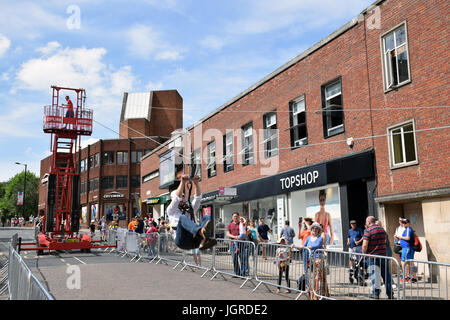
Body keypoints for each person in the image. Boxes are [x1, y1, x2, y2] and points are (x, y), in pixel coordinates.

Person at [166, 174, 216, 251]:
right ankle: (201, 232)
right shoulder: (171, 210)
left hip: (194, 240)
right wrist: (182, 182)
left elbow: (198, 198)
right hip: (182, 240)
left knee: (207, 217)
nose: (182, 199)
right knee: (182, 218)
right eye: (181, 197)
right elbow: (176, 199)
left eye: (183, 197)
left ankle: (203, 241)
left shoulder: (190, 209)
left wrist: (196, 183)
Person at [362, 216, 394, 299]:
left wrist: (364, 254)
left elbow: (364, 245)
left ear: (368, 222)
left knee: (374, 276)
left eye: (366, 222)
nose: (366, 224)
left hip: (372, 257)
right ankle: (390, 293)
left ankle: (376, 294)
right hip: (383, 255)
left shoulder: (368, 231)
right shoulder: (382, 230)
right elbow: (385, 242)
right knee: (386, 275)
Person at [227, 212, 250, 277]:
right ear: (232, 217)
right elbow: (228, 234)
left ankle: (243, 273)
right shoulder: (230, 225)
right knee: (234, 259)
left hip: (241, 244)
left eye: (236, 216)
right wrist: (235, 237)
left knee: (242, 259)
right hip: (233, 244)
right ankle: (237, 273)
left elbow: (247, 233)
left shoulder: (241, 224)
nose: (235, 217)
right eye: (234, 216)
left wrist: (242, 238)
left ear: (238, 217)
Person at [394, 218, 417, 283]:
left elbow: (408, 238)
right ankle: (414, 277)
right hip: (409, 248)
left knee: (404, 262)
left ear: (408, 223)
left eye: (405, 223)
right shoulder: (407, 229)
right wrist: (398, 238)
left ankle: (407, 277)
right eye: (403, 222)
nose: (403, 224)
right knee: (411, 262)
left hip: (406, 248)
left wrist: (400, 237)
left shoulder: (408, 229)